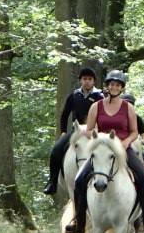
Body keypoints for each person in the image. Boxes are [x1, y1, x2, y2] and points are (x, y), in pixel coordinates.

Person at [70, 70, 144, 233]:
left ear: (121, 88)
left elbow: (134, 132)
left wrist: (126, 142)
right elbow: (89, 130)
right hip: (102, 150)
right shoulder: (95, 106)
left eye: (117, 85)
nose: (114, 87)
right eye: (112, 84)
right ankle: (79, 222)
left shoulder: (128, 108)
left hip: (123, 150)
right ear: (107, 86)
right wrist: (101, 139)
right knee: (79, 181)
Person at [43, 67, 103, 195]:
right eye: (84, 79)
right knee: (56, 151)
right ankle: (52, 182)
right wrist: (63, 131)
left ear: (94, 81)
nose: (87, 82)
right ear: (80, 80)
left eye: (90, 79)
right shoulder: (74, 96)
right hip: (77, 131)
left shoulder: (100, 96)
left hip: (94, 131)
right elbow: (65, 114)